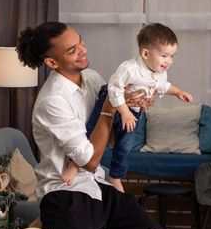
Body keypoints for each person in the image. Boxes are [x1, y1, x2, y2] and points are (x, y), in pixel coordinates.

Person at [16, 21, 160, 229]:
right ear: (52, 63)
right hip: (65, 196)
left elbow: (109, 138)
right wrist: (109, 107)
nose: (82, 49)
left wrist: (132, 108)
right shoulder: (53, 101)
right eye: (72, 50)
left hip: (98, 185)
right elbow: (89, 160)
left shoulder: (92, 79)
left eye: (80, 41)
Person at [61, 23, 193, 192]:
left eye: (172, 56)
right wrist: (123, 111)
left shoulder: (160, 72)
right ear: (145, 53)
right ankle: (74, 164)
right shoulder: (129, 69)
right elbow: (114, 89)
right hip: (111, 102)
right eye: (164, 56)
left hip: (133, 112)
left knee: (125, 145)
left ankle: (115, 176)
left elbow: (163, 86)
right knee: (91, 132)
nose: (169, 61)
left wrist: (178, 92)